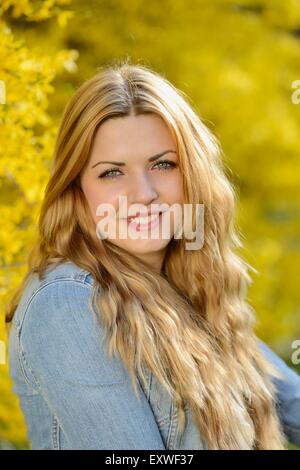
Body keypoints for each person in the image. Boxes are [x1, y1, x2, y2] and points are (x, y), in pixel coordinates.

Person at [6, 62, 300, 450]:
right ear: (77, 188)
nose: (143, 193)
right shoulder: (68, 303)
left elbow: (290, 401)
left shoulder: (189, 291)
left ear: (192, 174)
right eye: (112, 173)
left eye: (163, 164)